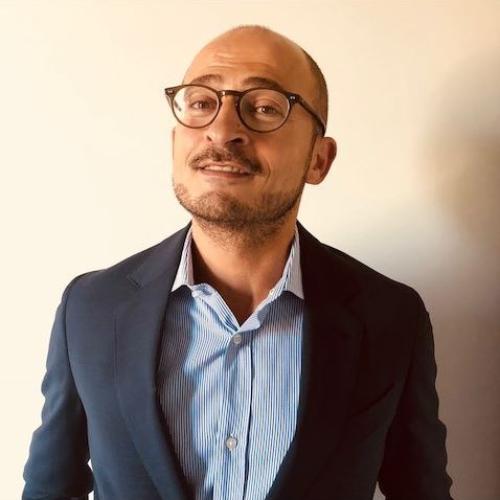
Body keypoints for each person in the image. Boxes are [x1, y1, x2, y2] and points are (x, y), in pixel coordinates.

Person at [22, 24, 454, 500]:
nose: (223, 130)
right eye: (201, 103)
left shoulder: (390, 317)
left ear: (318, 159)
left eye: (264, 107)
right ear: (175, 142)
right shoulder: (89, 308)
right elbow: (49, 489)